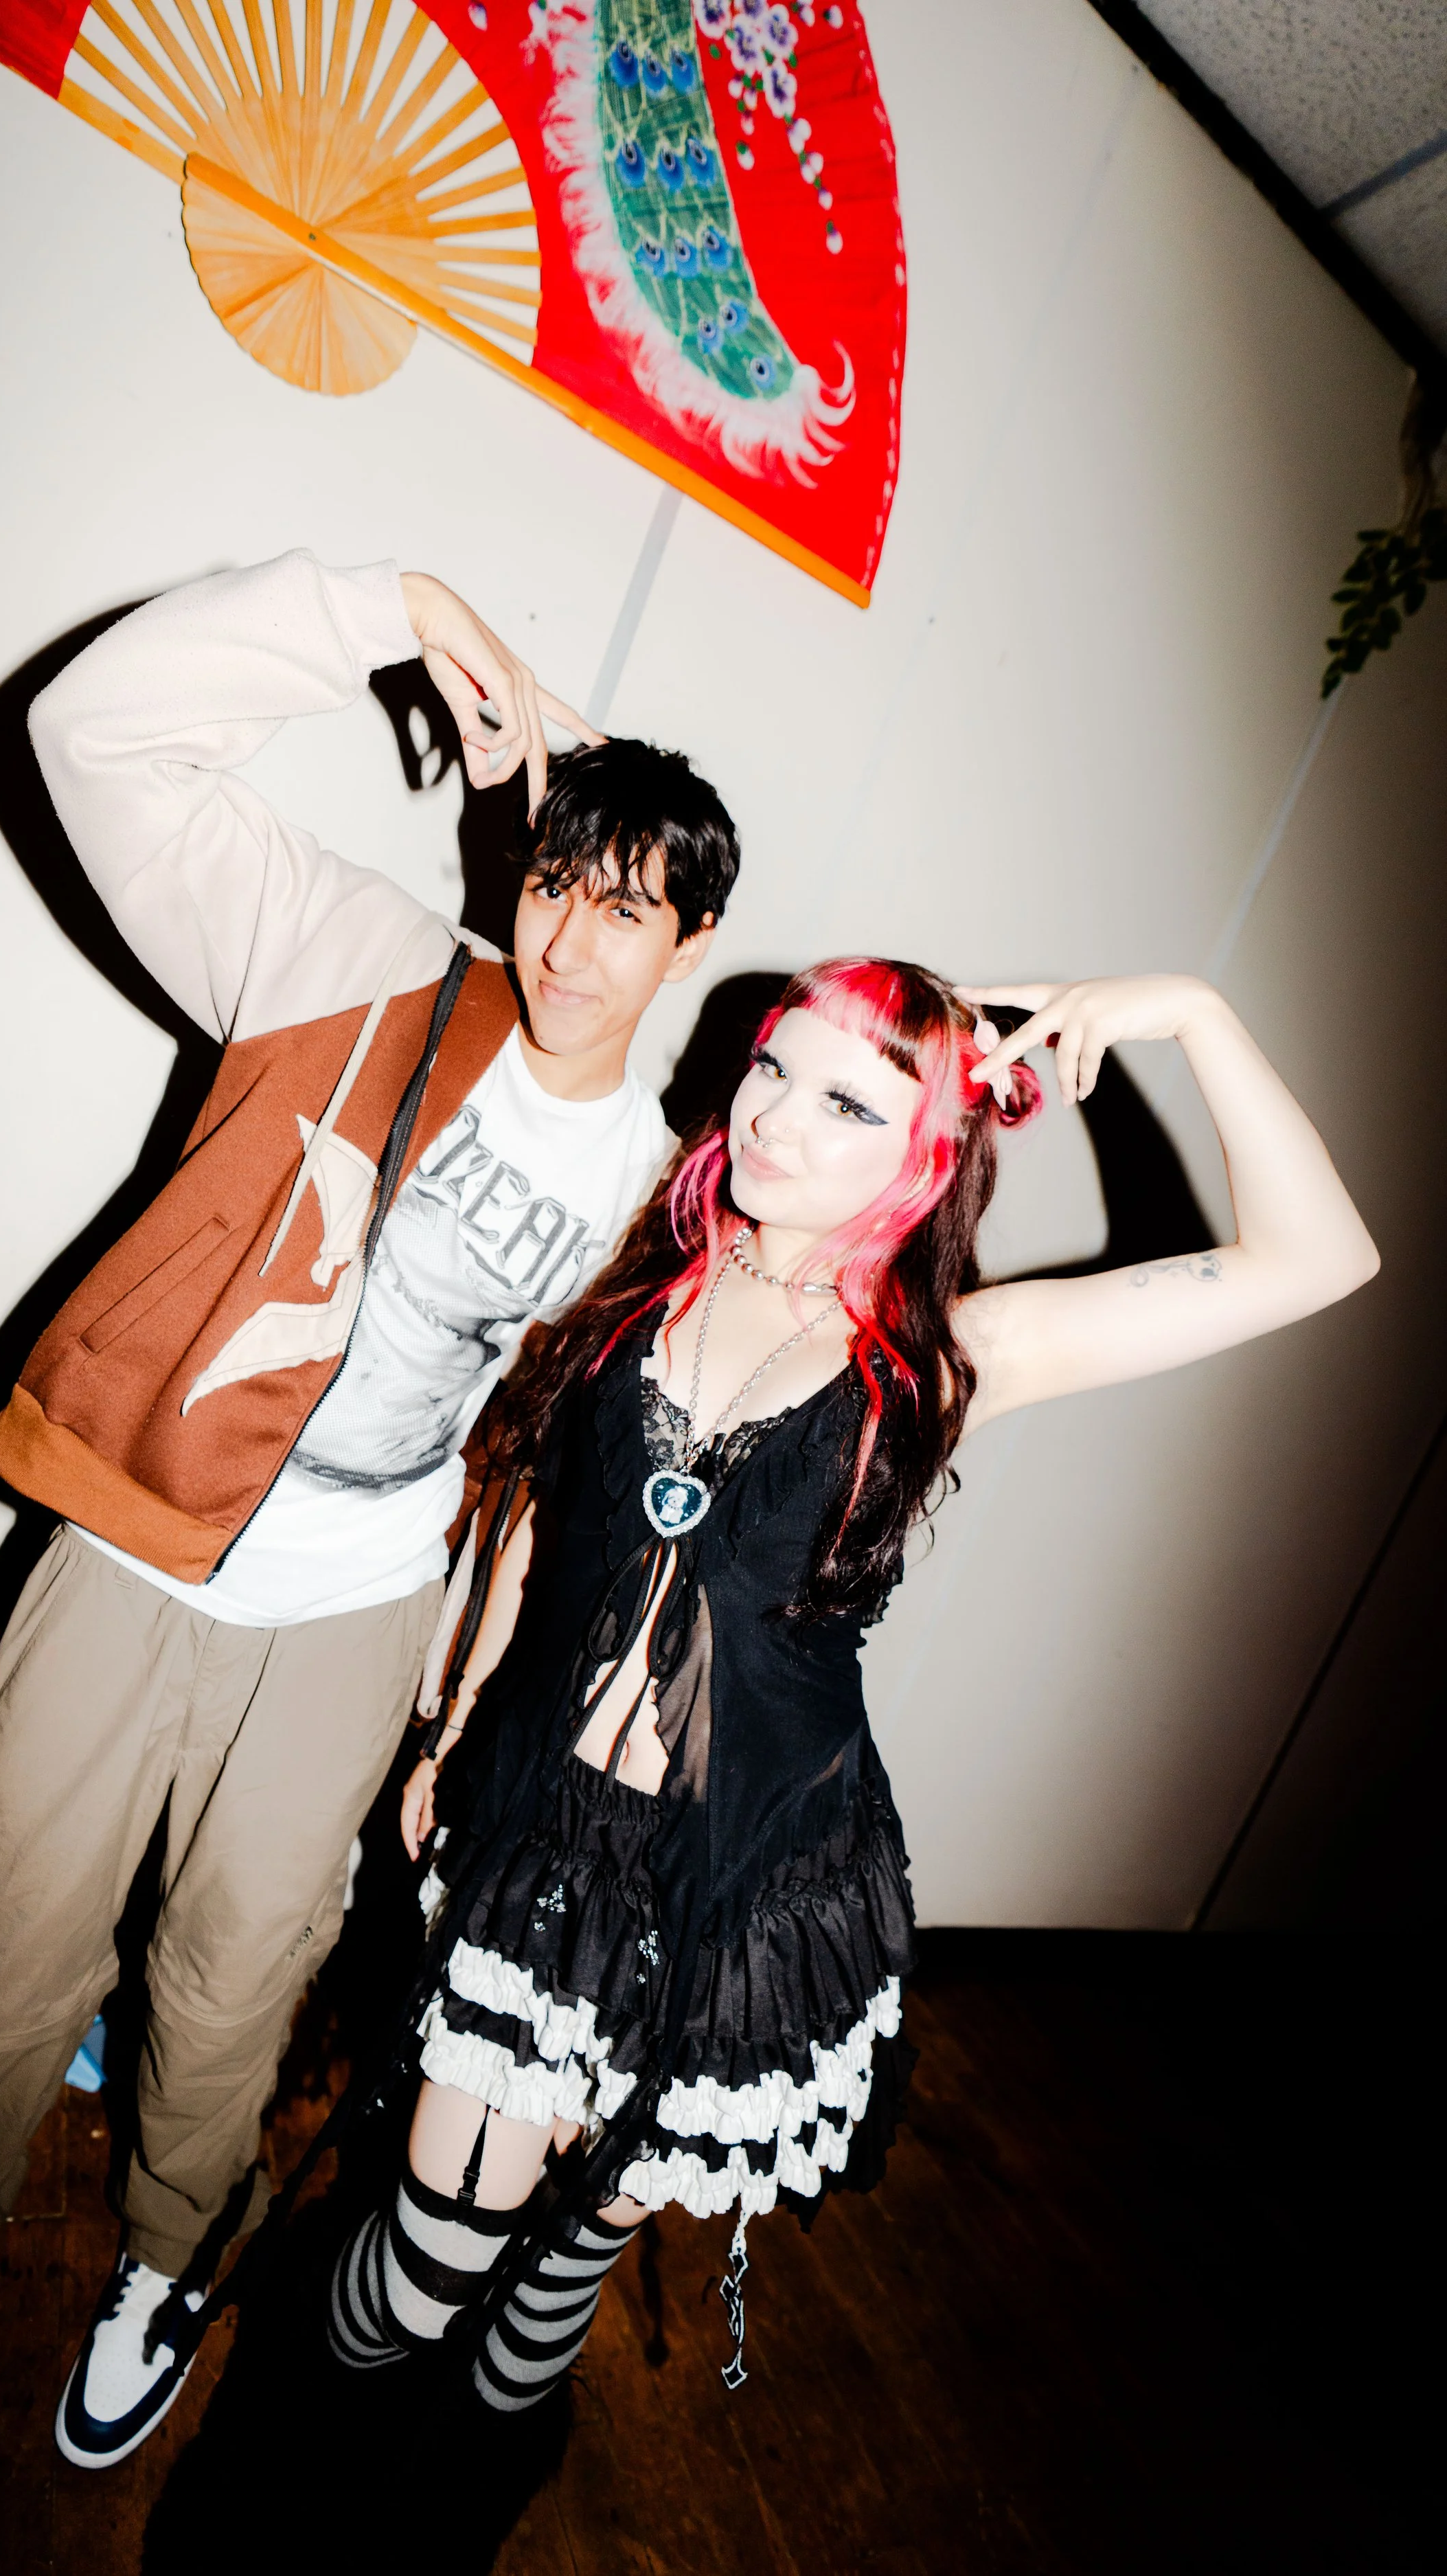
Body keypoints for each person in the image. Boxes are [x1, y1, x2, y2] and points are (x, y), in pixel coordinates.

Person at [0, 550, 740, 2471]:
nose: (574, 940)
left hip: (362, 1606)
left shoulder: (664, 1192)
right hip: (135, 1539)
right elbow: (86, 733)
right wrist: (387, 601)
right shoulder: (353, 961)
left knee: (241, 1964)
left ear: (691, 933)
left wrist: (477, 1708)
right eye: (555, 882)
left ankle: (165, 2254)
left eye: (629, 910)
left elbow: (635, 1462)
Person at [323, 958, 1377, 2413]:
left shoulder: (943, 1358)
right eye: (770, 1068)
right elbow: (535, 1525)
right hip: (548, 1834)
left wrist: (1189, 1010)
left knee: (552, 2292)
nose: (772, 1117)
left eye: (842, 1101)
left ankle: (489, 2444)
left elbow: (1315, 1262)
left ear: (925, 1150)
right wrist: (452, 1721)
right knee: (413, 2269)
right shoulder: (645, 1275)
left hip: (748, 1880)